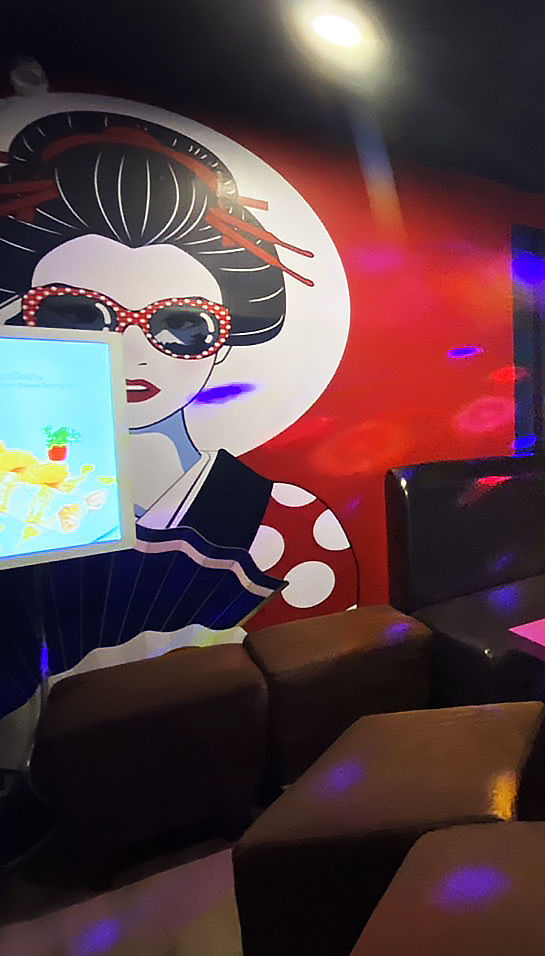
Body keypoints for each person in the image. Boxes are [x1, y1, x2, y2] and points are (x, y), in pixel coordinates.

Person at [0, 110, 356, 716]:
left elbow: (318, 697)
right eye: (79, 315)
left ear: (225, 343)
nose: (130, 350)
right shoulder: (24, 505)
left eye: (181, 325)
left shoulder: (291, 528)